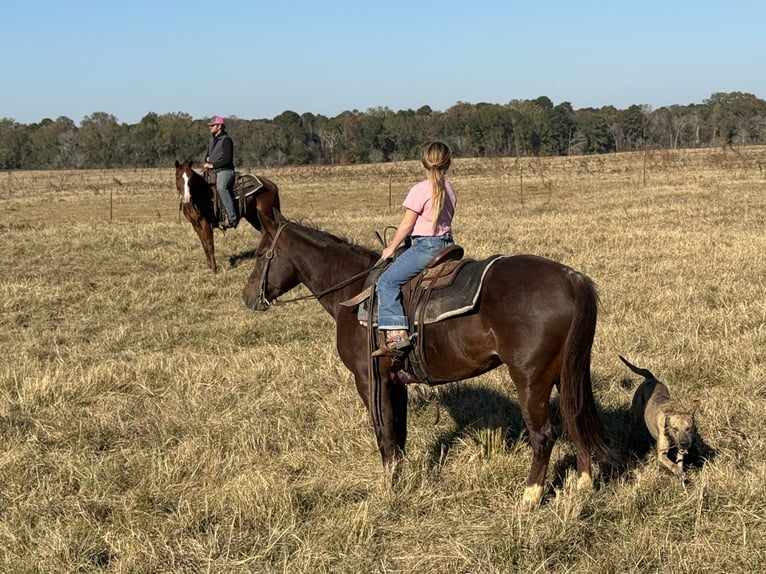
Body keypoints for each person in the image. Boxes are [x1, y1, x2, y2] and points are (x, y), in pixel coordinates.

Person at [373, 141, 457, 356]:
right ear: (448, 162)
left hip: (426, 246)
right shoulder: (450, 188)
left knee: (387, 281)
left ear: (423, 163)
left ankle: (396, 334)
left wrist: (391, 248)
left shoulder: (420, 189)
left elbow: (407, 224)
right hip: (448, 245)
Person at [204, 115, 238, 228]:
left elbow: (228, 159)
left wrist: (213, 165)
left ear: (219, 126)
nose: (210, 127)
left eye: (212, 125)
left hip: (225, 170)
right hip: (213, 171)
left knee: (221, 188)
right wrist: (207, 161)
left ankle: (232, 217)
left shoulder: (226, 140)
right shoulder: (211, 140)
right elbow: (208, 156)